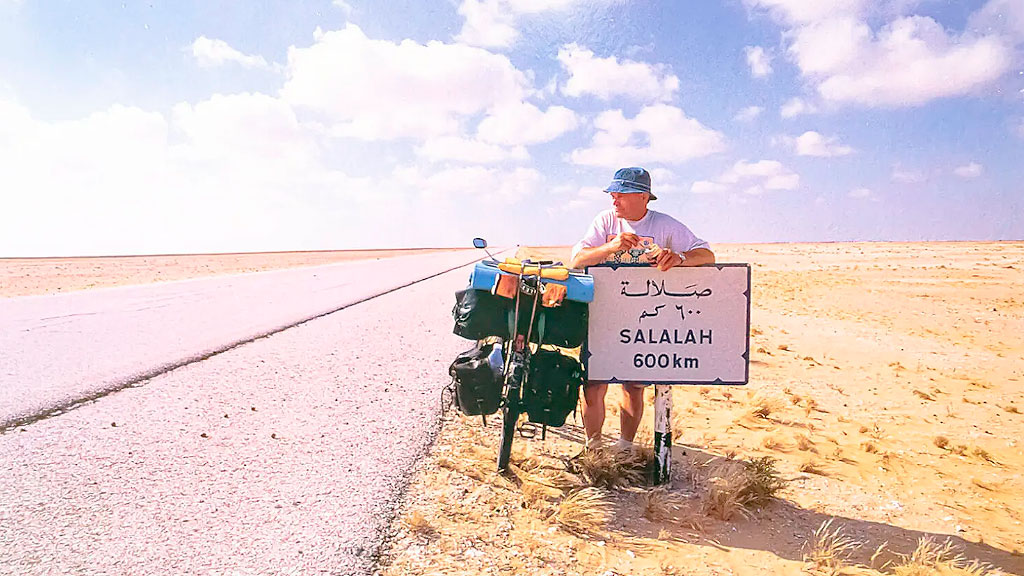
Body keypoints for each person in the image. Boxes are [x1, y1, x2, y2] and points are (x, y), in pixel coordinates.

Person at [569, 166, 715, 450]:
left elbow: (707, 255)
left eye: (621, 195)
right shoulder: (605, 222)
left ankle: (625, 447)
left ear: (643, 197)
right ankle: (594, 448)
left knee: (633, 385)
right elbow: (577, 260)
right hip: (603, 318)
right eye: (613, 195)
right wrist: (610, 247)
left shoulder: (665, 225)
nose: (614, 201)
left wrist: (680, 258)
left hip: (645, 323)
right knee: (594, 384)